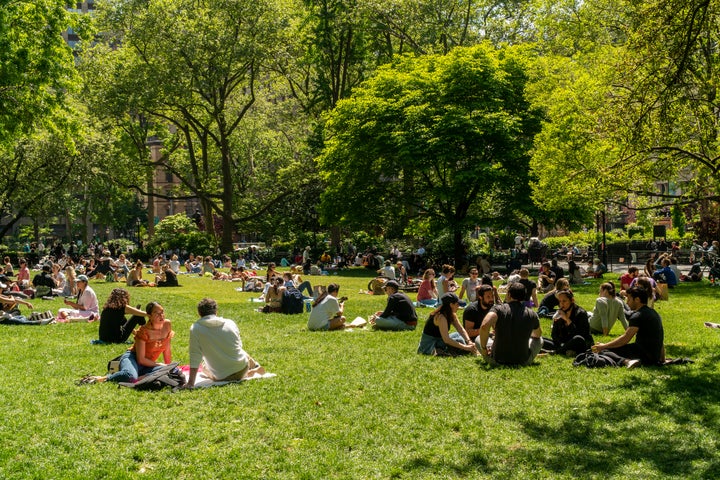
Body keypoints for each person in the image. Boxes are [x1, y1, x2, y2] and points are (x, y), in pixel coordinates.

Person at [184, 298, 265, 387]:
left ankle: (250, 372)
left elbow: (195, 356)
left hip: (221, 376)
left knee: (203, 367)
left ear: (199, 313)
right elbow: (239, 345)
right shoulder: (230, 323)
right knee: (240, 352)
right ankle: (253, 367)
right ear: (216, 311)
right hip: (241, 368)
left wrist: (191, 383)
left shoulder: (195, 328)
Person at [87, 302, 175, 383]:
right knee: (130, 376)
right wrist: (160, 364)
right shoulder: (144, 331)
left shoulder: (167, 325)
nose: (161, 315)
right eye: (157, 313)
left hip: (148, 365)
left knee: (170, 372)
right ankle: (104, 378)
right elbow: (141, 360)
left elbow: (166, 349)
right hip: (132, 359)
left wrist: (169, 367)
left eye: (162, 312)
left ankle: (140, 377)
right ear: (149, 316)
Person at [591, 286, 665, 367]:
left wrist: (603, 346)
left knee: (604, 351)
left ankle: (626, 362)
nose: (627, 302)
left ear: (637, 300)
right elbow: (660, 339)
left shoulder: (638, 316)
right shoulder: (654, 313)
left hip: (643, 355)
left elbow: (625, 338)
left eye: (629, 299)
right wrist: (662, 359)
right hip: (654, 356)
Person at [478, 282, 543, 366]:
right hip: (522, 361)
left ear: (508, 294)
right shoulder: (532, 314)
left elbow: (484, 327)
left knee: (478, 338)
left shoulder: (498, 309)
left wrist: (483, 349)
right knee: (540, 340)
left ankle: (490, 349)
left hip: (497, 360)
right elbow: (537, 335)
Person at [541, 290, 593, 356]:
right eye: (560, 301)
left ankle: (554, 352)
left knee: (578, 338)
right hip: (565, 343)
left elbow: (580, 334)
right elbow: (554, 335)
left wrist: (567, 319)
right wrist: (560, 343)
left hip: (580, 343)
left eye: (564, 301)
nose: (561, 304)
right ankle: (563, 350)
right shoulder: (560, 313)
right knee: (540, 339)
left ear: (572, 300)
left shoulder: (581, 313)